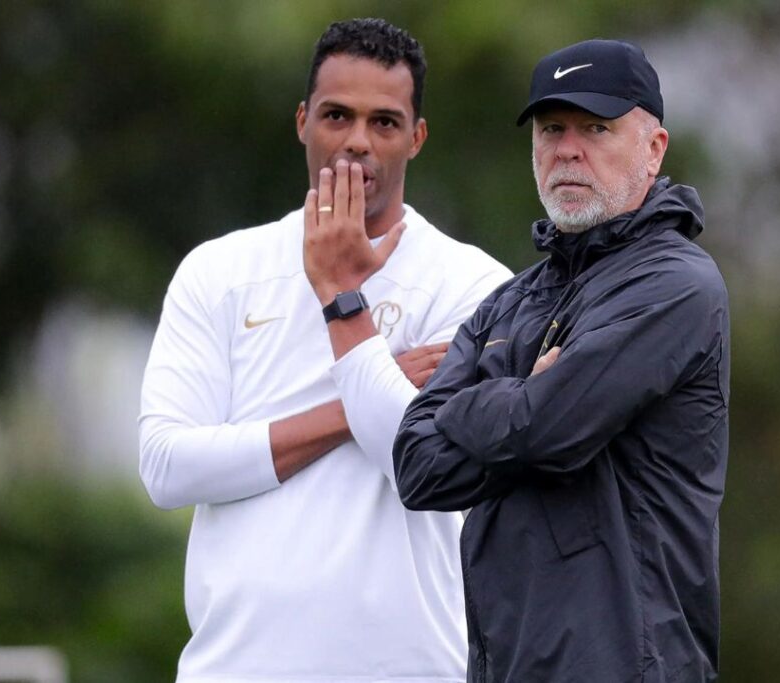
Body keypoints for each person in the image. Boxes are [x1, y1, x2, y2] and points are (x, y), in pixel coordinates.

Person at [139, 18, 511, 683]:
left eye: (385, 122)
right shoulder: (220, 270)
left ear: (417, 137)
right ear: (303, 121)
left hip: (413, 668)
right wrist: (363, 394)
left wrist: (340, 289)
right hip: (238, 665)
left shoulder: (476, 286)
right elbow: (168, 465)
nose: (358, 142)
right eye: (338, 115)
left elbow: (424, 468)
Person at [394, 39, 730, 682]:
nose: (568, 150)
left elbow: (549, 431)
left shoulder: (678, 285)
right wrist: (523, 395)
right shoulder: (509, 301)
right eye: (552, 129)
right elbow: (417, 468)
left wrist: (471, 402)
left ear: (654, 148)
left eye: (596, 128)